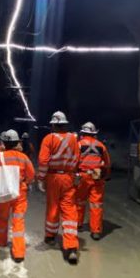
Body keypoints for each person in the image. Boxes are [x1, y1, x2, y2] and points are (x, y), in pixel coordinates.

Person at [37, 111, 81, 264]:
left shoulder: (49, 139)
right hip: (68, 177)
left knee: (53, 207)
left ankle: (50, 236)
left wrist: (41, 178)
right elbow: (77, 159)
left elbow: (43, 161)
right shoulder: (74, 139)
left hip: (53, 177)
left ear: (54, 124)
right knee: (69, 210)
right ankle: (71, 247)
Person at [0, 130, 35, 262]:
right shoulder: (23, 157)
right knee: (18, 221)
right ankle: (19, 253)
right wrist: (25, 183)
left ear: (4, 143)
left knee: (2, 218)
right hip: (19, 193)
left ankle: (1, 242)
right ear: (16, 142)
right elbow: (31, 175)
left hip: (4, 193)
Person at [76, 122, 111, 240]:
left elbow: (73, 161)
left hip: (82, 176)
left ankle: (78, 224)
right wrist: (104, 176)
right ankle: (95, 231)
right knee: (96, 204)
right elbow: (107, 163)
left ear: (83, 133)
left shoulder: (79, 145)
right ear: (94, 133)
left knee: (79, 201)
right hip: (97, 176)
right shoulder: (101, 146)